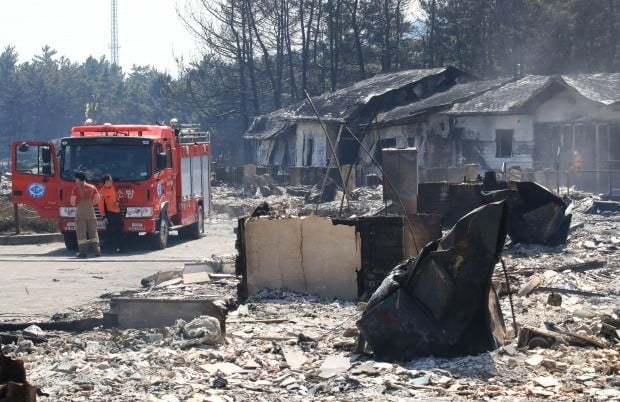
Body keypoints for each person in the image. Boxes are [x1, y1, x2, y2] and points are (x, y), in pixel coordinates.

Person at [70, 171, 104, 258]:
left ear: (78, 179)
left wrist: (75, 204)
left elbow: (73, 202)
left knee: (81, 233)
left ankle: (83, 253)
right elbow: (98, 198)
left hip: (80, 212)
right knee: (93, 231)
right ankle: (97, 251)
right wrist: (92, 203)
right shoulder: (92, 187)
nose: (75, 180)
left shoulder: (76, 188)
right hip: (91, 211)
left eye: (76, 178)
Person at [100, 174, 124, 253]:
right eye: (110, 180)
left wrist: (117, 202)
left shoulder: (112, 188)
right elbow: (101, 206)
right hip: (109, 214)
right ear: (106, 182)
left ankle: (121, 248)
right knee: (110, 232)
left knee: (120, 230)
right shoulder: (102, 192)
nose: (112, 181)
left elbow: (117, 197)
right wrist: (104, 217)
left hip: (117, 212)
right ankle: (110, 249)